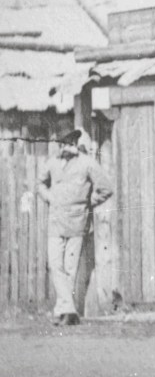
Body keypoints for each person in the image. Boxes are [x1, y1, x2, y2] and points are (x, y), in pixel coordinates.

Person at [36, 128, 113, 326]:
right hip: (56, 222)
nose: (66, 146)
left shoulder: (87, 163)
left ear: (76, 143)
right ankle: (68, 310)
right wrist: (49, 197)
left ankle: (65, 313)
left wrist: (88, 202)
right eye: (62, 142)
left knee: (70, 268)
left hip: (77, 222)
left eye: (70, 142)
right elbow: (40, 183)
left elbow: (106, 188)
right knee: (55, 265)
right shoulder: (52, 163)